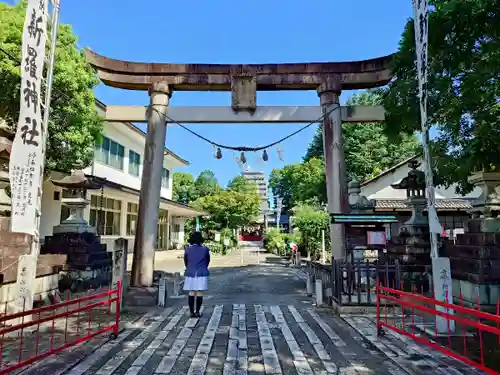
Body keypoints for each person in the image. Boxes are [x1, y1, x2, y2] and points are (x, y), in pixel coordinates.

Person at [183, 231, 210, 317]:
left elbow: (186, 261)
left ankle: (191, 312)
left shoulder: (187, 249)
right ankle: (197, 311)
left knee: (191, 292)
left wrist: (189, 267)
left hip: (190, 272)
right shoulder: (205, 249)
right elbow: (207, 261)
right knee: (199, 292)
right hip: (201, 273)